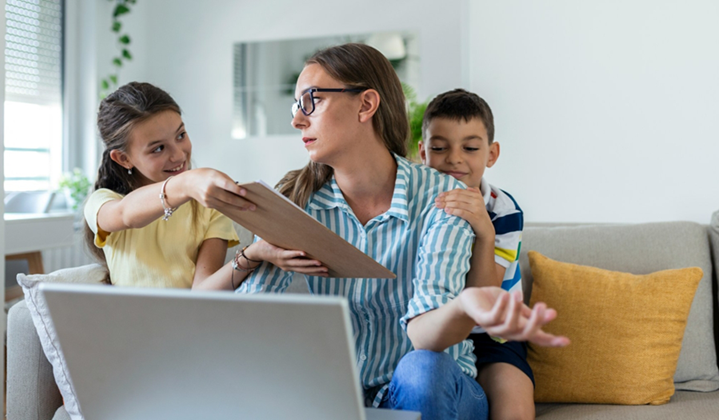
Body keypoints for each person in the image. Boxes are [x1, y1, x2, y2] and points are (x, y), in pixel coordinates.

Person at [236, 44, 569, 420]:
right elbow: (247, 327)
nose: (298, 119)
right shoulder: (297, 201)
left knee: (421, 369)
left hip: (433, 389)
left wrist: (463, 305)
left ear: (366, 105)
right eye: (297, 105)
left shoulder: (446, 198)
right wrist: (252, 253)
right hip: (337, 394)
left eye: (311, 100)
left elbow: (424, 339)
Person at [83, 82, 328, 290]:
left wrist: (254, 253)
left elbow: (202, 293)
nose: (178, 155)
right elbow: (125, 214)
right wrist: (187, 183)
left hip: (189, 329)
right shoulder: (104, 202)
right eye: (158, 148)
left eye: (181, 135)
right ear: (123, 158)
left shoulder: (208, 207)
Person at [421, 89, 534, 420]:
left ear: (491, 153)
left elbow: (485, 299)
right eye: (439, 148)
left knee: (513, 400)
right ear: (422, 152)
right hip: (434, 329)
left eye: (470, 148)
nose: (455, 158)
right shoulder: (415, 203)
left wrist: (484, 231)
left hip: (494, 335)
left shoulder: (504, 210)